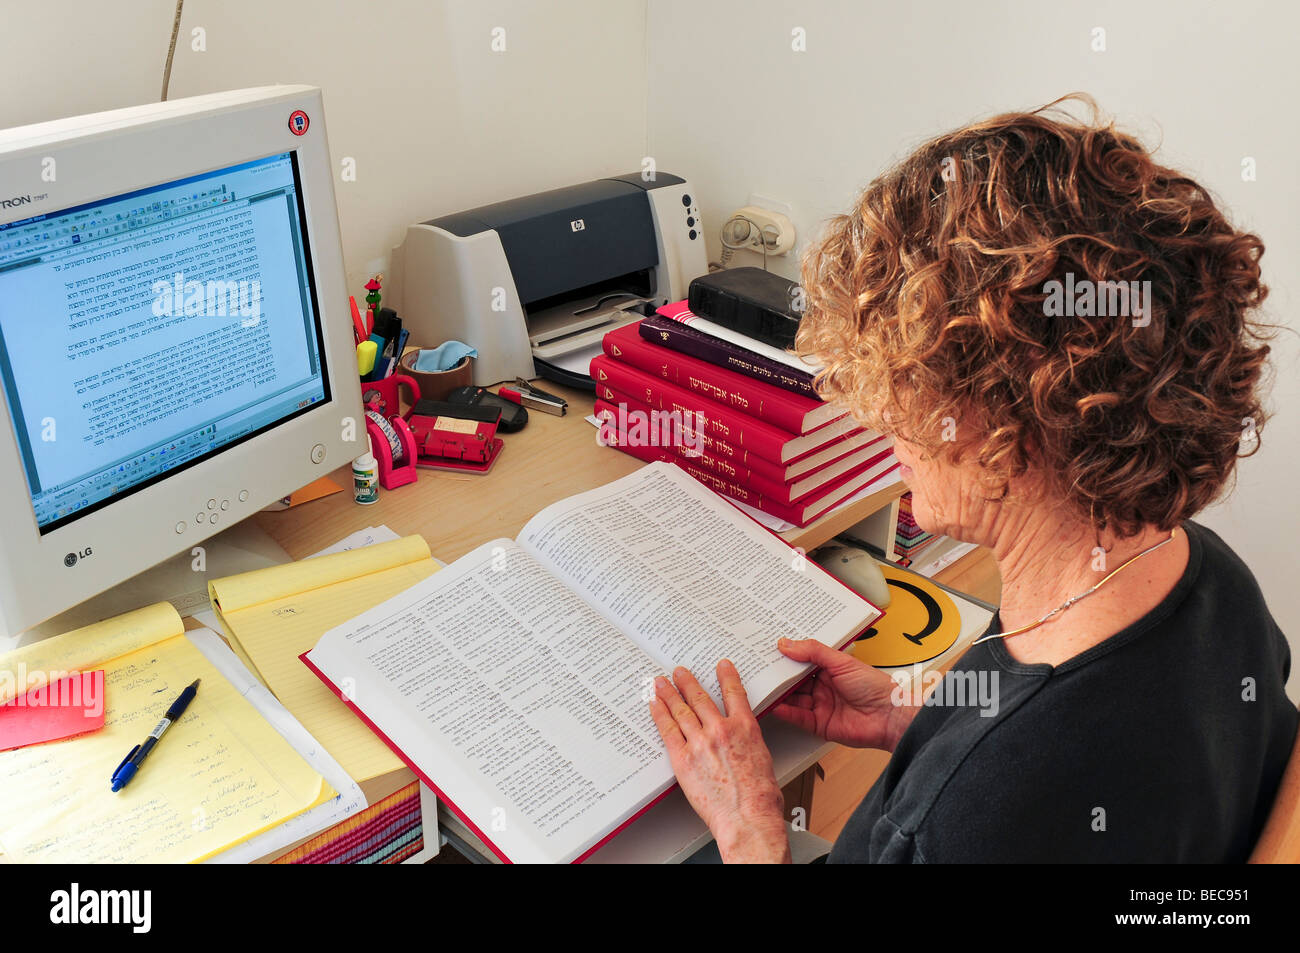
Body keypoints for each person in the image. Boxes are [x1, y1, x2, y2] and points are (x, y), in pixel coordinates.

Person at [649, 95, 1298, 863]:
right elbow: (1072, 718)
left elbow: (1016, 777)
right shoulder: (1211, 580)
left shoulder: (957, 825)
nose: (883, 424)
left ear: (1005, 428)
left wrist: (752, 825)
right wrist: (916, 715)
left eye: (905, 391)